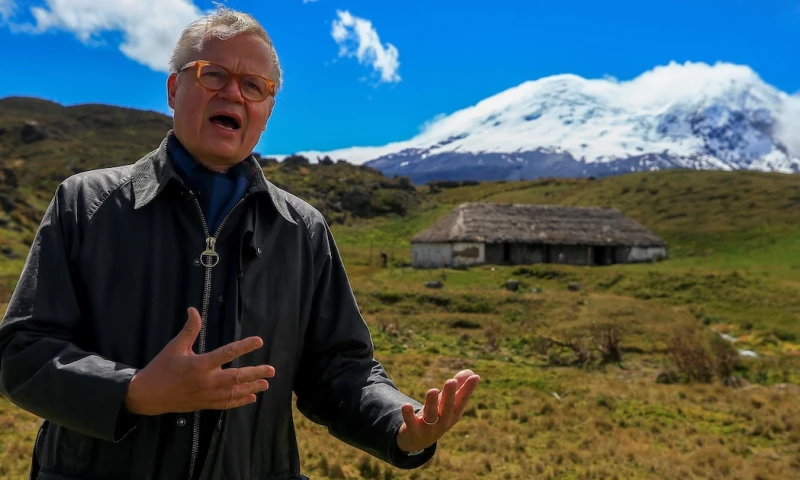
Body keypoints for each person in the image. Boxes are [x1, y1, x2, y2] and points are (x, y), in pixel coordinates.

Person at [0, 7, 480, 480]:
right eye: (214, 75)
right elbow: (22, 352)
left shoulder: (302, 230)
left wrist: (398, 424)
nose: (234, 92)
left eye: (254, 87)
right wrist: (133, 392)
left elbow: (340, 370)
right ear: (173, 88)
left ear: (267, 112)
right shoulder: (86, 204)